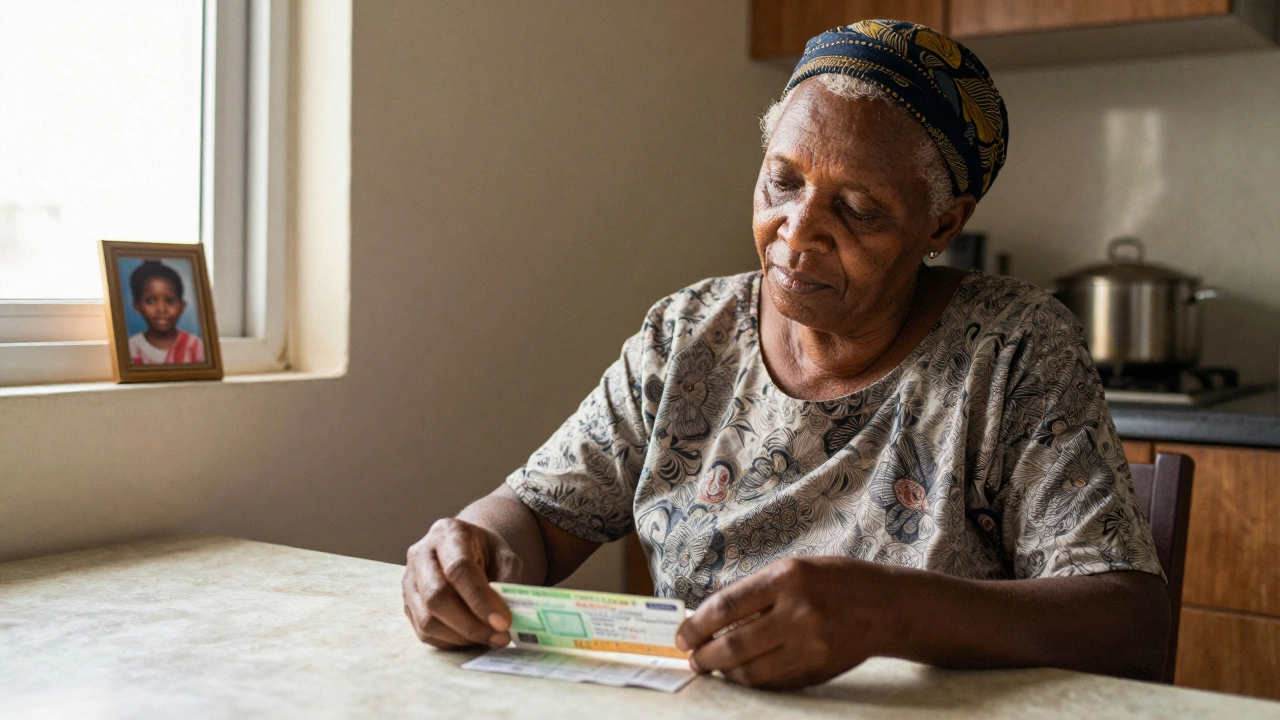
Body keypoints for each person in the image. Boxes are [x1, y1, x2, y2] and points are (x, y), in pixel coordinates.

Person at [402, 20, 1169, 690]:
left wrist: (884, 612)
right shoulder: (690, 332)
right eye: (782, 182)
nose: (797, 232)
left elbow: (1126, 621)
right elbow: (537, 517)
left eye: (859, 209)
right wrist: (470, 552)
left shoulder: (1011, 349)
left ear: (943, 224)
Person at [127, 260, 205, 365]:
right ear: (137, 306)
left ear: (182, 306)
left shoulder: (195, 346)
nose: (161, 309)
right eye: (151, 301)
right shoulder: (133, 348)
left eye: (170, 301)